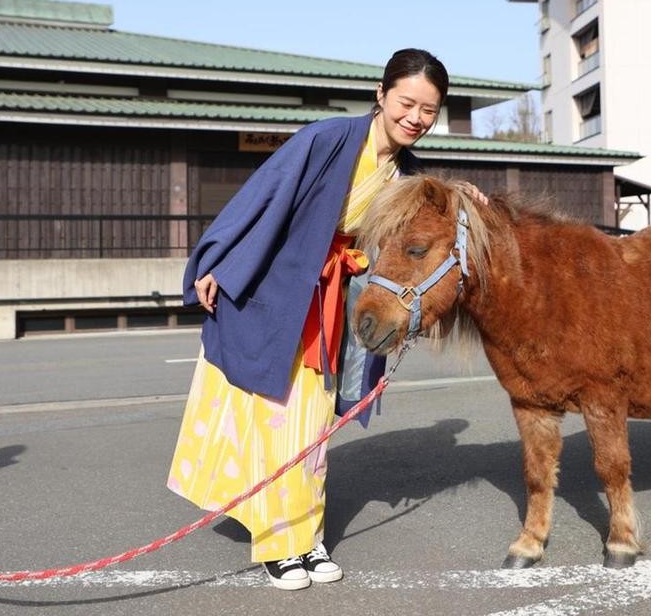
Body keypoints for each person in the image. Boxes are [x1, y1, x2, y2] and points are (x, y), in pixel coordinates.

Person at [167, 48, 471, 590]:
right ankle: (280, 546)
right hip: (277, 291)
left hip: (331, 302)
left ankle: (307, 538)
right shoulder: (327, 138)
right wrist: (217, 261)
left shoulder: (406, 173)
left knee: (310, 425)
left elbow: (429, 222)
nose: (416, 118)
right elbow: (262, 198)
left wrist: (462, 197)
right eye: (407, 102)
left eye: (429, 110)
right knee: (274, 419)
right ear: (381, 95)